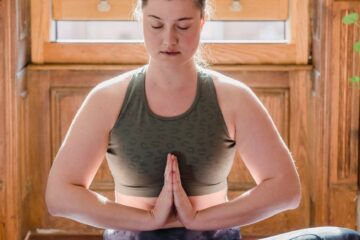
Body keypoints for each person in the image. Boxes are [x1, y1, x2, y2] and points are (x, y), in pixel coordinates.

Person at [45, 0, 360, 239]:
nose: (169, 39)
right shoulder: (107, 99)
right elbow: (59, 196)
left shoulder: (233, 97)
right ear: (141, 20)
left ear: (202, 22)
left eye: (183, 25)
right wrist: (150, 220)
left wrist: (199, 220)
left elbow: (286, 190)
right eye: (156, 25)